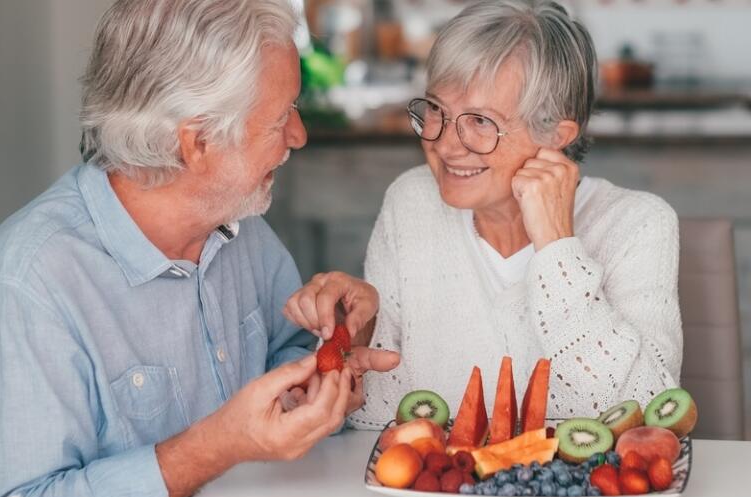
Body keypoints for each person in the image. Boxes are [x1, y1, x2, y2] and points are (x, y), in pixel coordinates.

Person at [0, 1, 396, 497]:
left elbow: (283, 357)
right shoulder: (24, 287)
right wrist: (210, 449)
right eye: (281, 116)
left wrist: (324, 365)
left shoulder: (242, 227)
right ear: (196, 142)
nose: (299, 136)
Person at [285, 0, 681, 429]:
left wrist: (557, 247)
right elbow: (380, 422)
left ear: (556, 136)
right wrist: (351, 350)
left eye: (479, 121)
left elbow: (651, 417)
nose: (446, 145)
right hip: (439, 494)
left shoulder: (638, 225)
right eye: (436, 111)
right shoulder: (412, 202)